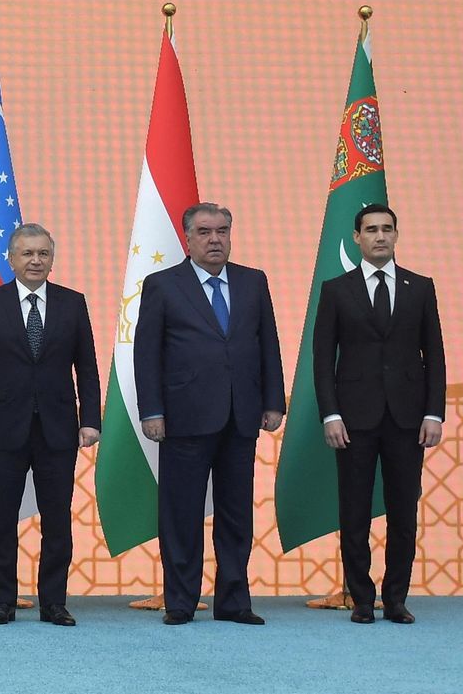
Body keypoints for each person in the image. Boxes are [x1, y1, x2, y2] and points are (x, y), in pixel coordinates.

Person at [134, 202, 284, 626]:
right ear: (187, 238)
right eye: (204, 232)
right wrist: (153, 410)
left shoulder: (253, 282)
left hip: (241, 417)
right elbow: (146, 354)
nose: (214, 239)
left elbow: (267, 344)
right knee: (181, 513)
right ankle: (180, 601)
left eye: (222, 231)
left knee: (236, 514)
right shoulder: (163, 284)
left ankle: (234, 601)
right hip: (183, 417)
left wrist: (274, 401)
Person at [0, 223, 101, 627]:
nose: (35, 260)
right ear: (11, 259)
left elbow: (87, 368)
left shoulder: (73, 303)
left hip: (58, 429)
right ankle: (3, 600)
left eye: (43, 253)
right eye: (27, 253)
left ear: (52, 259)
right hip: (3, 429)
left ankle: (53, 603)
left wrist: (90, 419)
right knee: (1, 519)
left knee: (57, 519)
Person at [313, 203, 445, 625]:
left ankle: (397, 597)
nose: (380, 236)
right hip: (353, 419)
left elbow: (435, 356)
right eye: (371, 230)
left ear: (396, 235)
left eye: (387, 229)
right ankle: (362, 598)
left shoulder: (420, 287)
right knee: (353, 510)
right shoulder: (336, 290)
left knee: (404, 510)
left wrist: (434, 413)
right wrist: (330, 415)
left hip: (408, 420)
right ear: (357, 238)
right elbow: (321, 358)